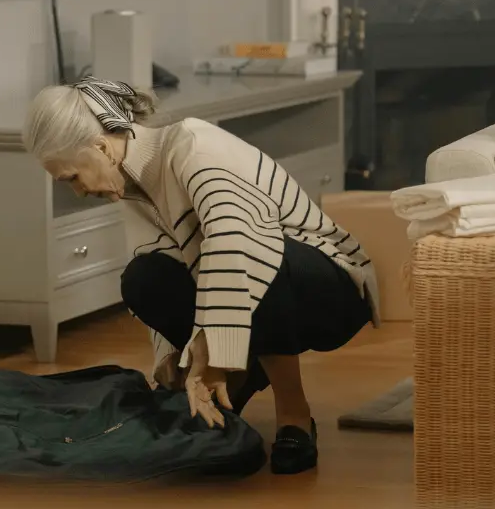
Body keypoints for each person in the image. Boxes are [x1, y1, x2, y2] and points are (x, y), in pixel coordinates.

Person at [22, 77, 379, 475]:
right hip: (252, 280)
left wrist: (211, 357)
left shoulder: (192, 144)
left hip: (329, 285)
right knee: (143, 278)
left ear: (102, 147)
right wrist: (178, 366)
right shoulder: (133, 186)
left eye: (71, 177)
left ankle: (293, 411)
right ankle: (234, 378)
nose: (79, 191)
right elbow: (166, 266)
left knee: (251, 251)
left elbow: (236, 240)